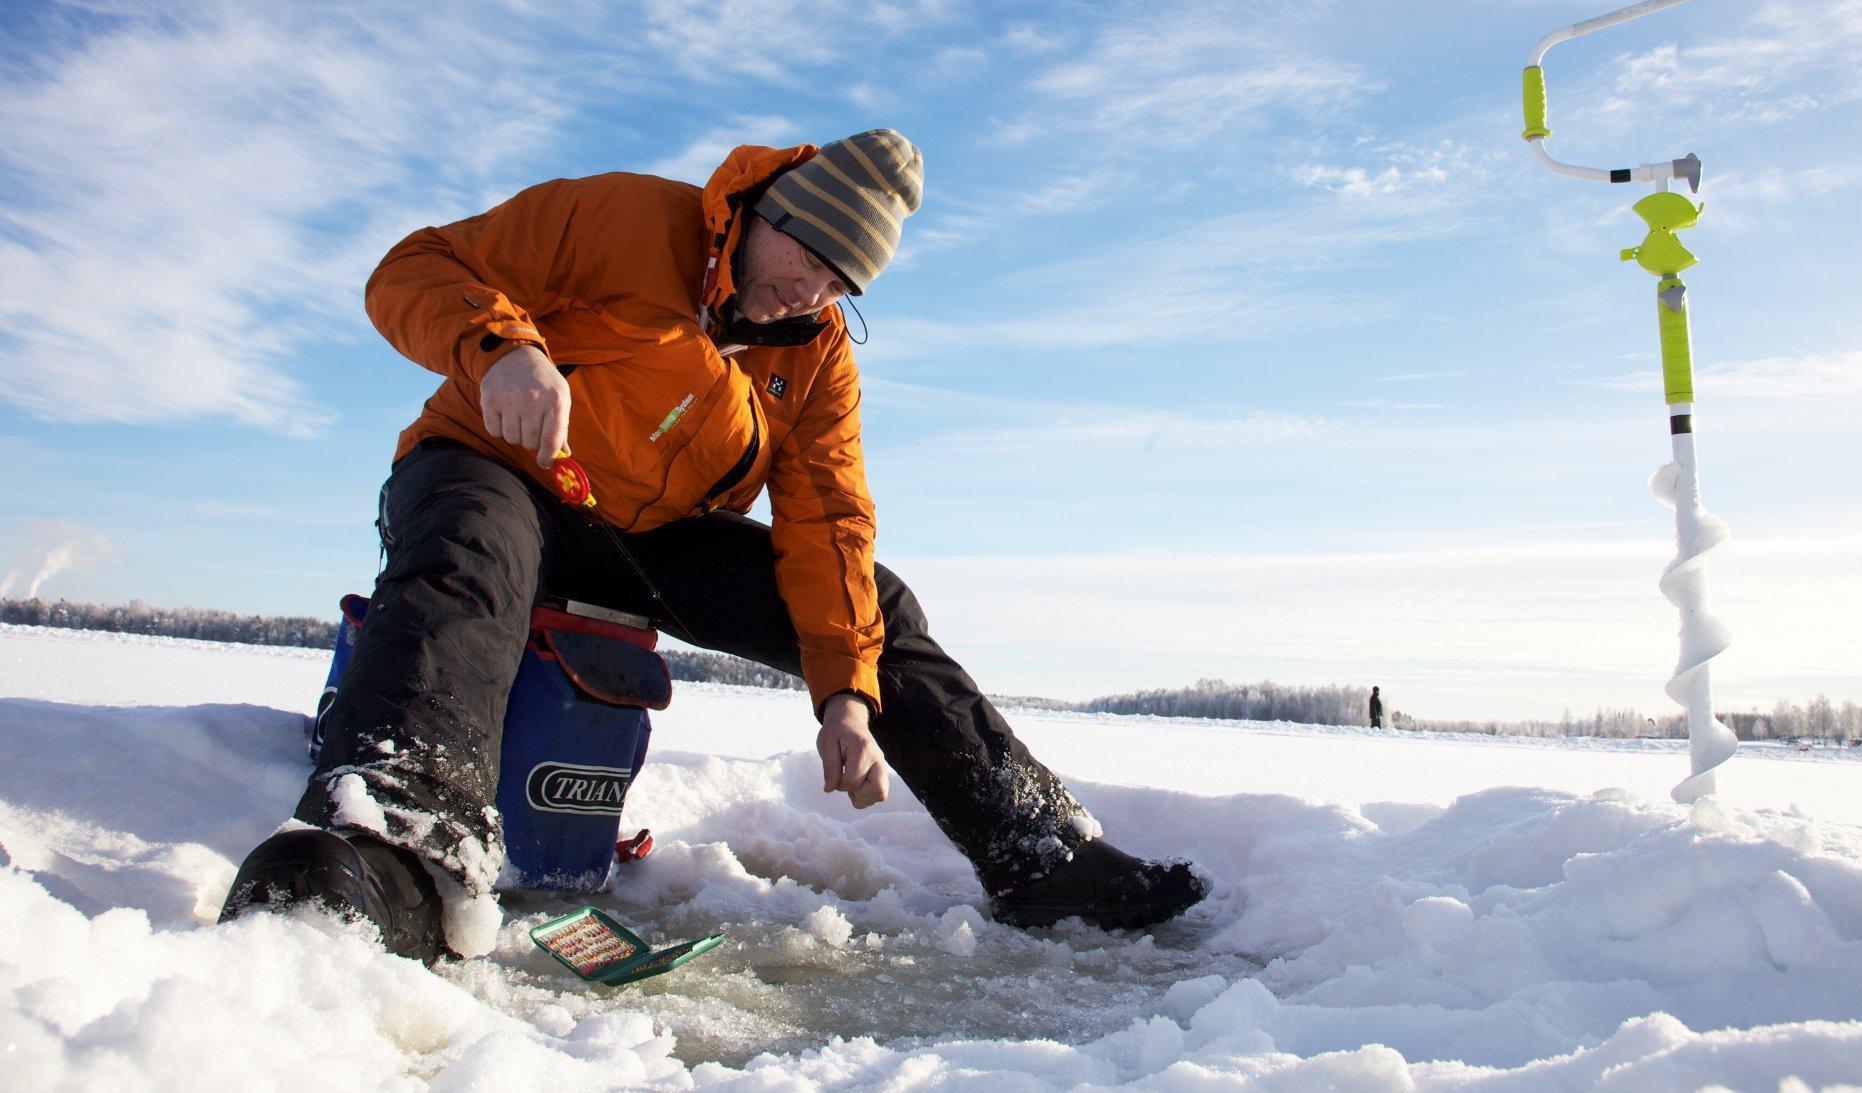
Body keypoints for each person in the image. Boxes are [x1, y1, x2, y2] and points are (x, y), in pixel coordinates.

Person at [221, 131, 1205, 961]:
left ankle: (1038, 854)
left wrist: (846, 696)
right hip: (495, 465)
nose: (811, 289)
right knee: (468, 564)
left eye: (840, 278)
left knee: (879, 603)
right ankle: (394, 846)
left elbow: (825, 526)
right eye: (807, 255)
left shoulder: (814, 355)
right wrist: (504, 350)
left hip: (643, 534)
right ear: (764, 211)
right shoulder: (618, 218)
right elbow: (414, 268)